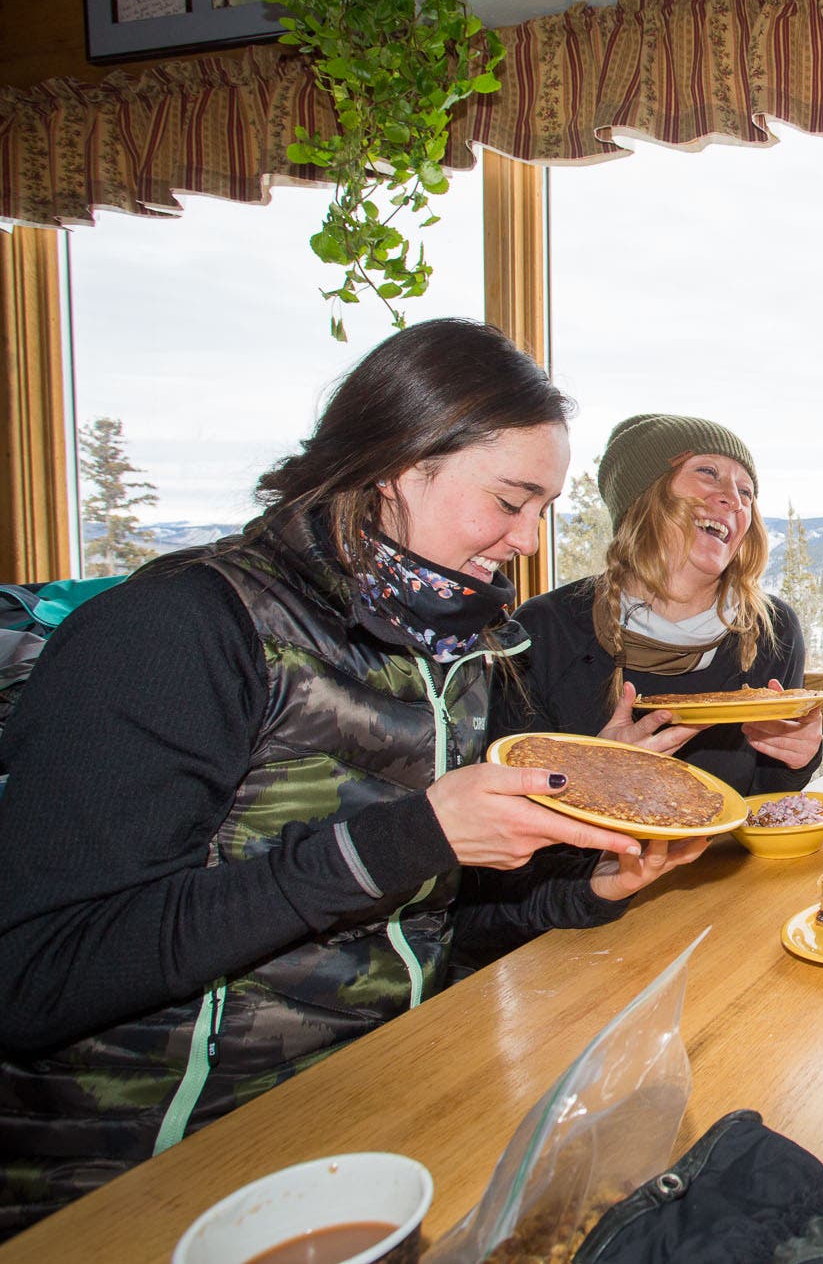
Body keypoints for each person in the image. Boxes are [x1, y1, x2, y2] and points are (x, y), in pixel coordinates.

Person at [0, 319, 706, 1236]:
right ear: (397, 464)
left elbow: (433, 928)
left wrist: (589, 890)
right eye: (509, 499)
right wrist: (407, 838)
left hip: (369, 1115)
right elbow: (34, 974)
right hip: (142, 1180)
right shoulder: (179, 630)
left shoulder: (464, 650)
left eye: (545, 508)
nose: (529, 539)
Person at [499, 414, 822, 797]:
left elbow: (765, 802)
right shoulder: (546, 629)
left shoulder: (771, 629)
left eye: (747, 492)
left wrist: (798, 757)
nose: (734, 501)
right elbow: (508, 819)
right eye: (708, 472)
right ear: (642, 497)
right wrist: (593, 779)